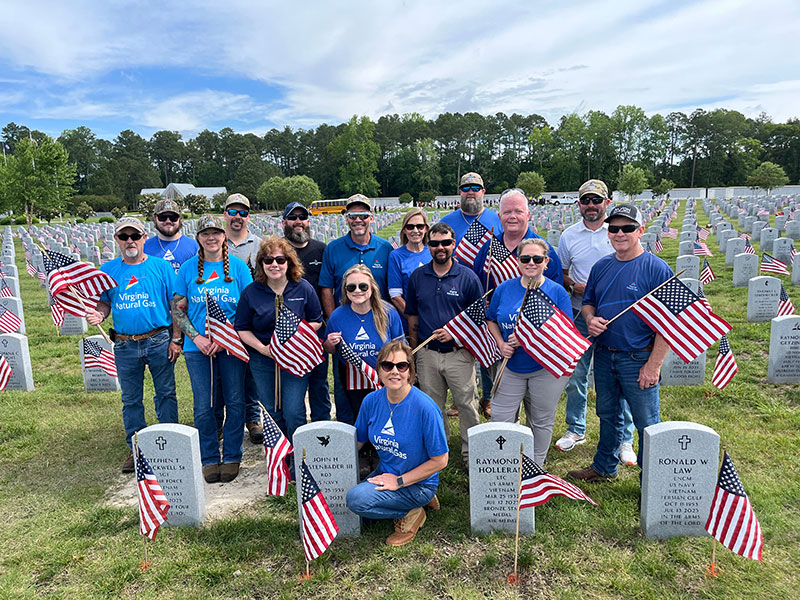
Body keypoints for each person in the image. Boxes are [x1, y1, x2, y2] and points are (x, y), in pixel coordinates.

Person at [567, 204, 672, 483]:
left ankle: (652, 481)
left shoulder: (656, 268)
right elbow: (588, 303)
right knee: (608, 414)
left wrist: (654, 364)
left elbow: (670, 325)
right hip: (604, 354)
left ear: (640, 230)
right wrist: (590, 320)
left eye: (627, 228)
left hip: (639, 357)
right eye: (614, 228)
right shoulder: (602, 267)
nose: (620, 233)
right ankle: (604, 466)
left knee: (646, 422)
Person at [86, 216, 179, 473]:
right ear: (116, 240)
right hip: (125, 344)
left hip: (159, 339)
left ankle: (170, 440)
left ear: (144, 239)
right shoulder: (108, 269)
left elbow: (175, 306)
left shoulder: (161, 268)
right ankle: (136, 447)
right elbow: (105, 301)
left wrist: (176, 339)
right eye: (124, 237)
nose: (130, 241)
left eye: (135, 236)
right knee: (130, 399)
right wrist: (99, 314)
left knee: (166, 393)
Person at [555, 179, 637, 466]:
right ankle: (576, 428)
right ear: (579, 204)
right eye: (586, 200)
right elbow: (562, 273)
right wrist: (573, 286)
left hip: (617, 319)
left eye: (596, 200)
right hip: (580, 315)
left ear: (606, 202)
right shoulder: (568, 236)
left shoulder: (617, 232)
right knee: (576, 376)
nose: (591, 205)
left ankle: (625, 437)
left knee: (619, 379)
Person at [471, 188, 564, 419]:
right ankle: (505, 430)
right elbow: (478, 284)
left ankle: (534, 440)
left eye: (518, 211)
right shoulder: (489, 247)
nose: (512, 216)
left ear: (528, 214)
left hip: (535, 340)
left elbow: (555, 294)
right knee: (502, 393)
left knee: (536, 404)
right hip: (498, 330)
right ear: (499, 215)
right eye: (507, 211)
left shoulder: (541, 249)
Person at [172, 216, 252, 483]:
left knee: (235, 400)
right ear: (198, 238)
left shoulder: (239, 268)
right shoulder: (186, 270)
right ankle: (208, 457)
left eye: (216, 233)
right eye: (205, 233)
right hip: (198, 349)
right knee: (204, 405)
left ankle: (231, 455)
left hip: (231, 346)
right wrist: (198, 339)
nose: (211, 238)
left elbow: (247, 309)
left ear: (223, 236)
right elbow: (178, 311)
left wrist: (225, 338)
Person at [345, 340, 449, 546]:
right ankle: (410, 502)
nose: (394, 372)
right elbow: (358, 441)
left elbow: (441, 461)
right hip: (386, 472)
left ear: (410, 371)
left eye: (401, 366)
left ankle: (413, 511)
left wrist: (399, 481)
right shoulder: (371, 401)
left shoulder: (425, 408)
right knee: (361, 516)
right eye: (387, 365)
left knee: (356, 501)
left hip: (418, 482)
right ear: (379, 370)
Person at [487, 238, 571, 466]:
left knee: (541, 421)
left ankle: (536, 468)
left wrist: (528, 339)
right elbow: (491, 320)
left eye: (537, 259)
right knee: (501, 419)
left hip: (544, 368)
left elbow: (565, 334)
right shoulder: (504, 289)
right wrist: (500, 343)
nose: (531, 263)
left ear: (546, 262)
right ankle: (505, 466)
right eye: (525, 258)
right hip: (511, 366)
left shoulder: (557, 292)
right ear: (517, 261)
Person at [405, 222, 483, 466]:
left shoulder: (468, 277)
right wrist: (413, 351)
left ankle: (472, 454)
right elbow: (413, 315)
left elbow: (478, 318)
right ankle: (440, 452)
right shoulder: (418, 277)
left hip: (459, 353)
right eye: (435, 243)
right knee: (433, 406)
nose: (440, 248)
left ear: (454, 244)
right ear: (428, 246)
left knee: (467, 404)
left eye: (446, 243)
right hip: (427, 354)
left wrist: (456, 336)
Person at [234, 236, 322, 448]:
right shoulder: (251, 292)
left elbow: (316, 321)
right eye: (268, 260)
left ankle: (299, 458)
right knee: (272, 410)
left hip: (295, 360)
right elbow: (242, 328)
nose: (274, 264)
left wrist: (295, 339)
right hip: (263, 359)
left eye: (280, 260)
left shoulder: (303, 288)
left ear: (289, 262)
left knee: (294, 411)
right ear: (261, 264)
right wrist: (263, 349)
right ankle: (279, 457)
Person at [319, 194, 393, 424]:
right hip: (347, 330)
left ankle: (376, 442)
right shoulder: (333, 248)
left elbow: (390, 289)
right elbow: (326, 288)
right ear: (346, 219)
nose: (358, 220)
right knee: (345, 392)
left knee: (380, 387)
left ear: (371, 217)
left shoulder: (385, 248)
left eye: (363, 215)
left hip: (378, 328)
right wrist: (337, 321)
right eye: (353, 216)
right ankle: (351, 445)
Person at [324, 265, 404, 419]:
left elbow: (400, 348)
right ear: (345, 290)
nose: (357, 290)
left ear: (372, 288)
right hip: (353, 378)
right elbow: (330, 350)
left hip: (383, 375)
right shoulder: (338, 315)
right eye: (351, 287)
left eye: (363, 286)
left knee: (384, 417)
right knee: (357, 418)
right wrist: (330, 342)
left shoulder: (388, 312)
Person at [281, 201, 330, 422]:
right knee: (292, 388)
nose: (298, 222)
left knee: (319, 384)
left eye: (302, 217)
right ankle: (296, 431)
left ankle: (321, 427)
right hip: (284, 333)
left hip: (316, 329)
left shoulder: (321, 249)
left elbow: (328, 287)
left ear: (308, 221)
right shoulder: (277, 250)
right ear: (284, 222)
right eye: (293, 218)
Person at [223, 192, 263, 443]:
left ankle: (254, 417)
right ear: (225, 214)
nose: (238, 217)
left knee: (252, 372)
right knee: (226, 373)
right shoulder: (215, 241)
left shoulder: (258, 244)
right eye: (233, 212)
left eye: (243, 213)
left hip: (252, 316)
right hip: (224, 319)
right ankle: (224, 420)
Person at [387, 208, 431, 333]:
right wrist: (415, 319)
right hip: (409, 325)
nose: (415, 231)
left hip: (434, 322)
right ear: (404, 230)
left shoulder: (433, 251)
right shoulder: (396, 256)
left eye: (420, 226)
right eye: (410, 227)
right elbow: (395, 295)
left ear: (426, 229)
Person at [440, 172, 502, 244]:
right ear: (460, 192)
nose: (470, 192)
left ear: (483, 192)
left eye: (475, 188)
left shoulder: (498, 221)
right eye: (465, 188)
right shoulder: (446, 222)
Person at [143, 199, 199, 273]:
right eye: (163, 217)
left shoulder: (194, 247)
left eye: (173, 217)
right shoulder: (144, 247)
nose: (168, 221)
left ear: (179, 219)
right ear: (155, 218)